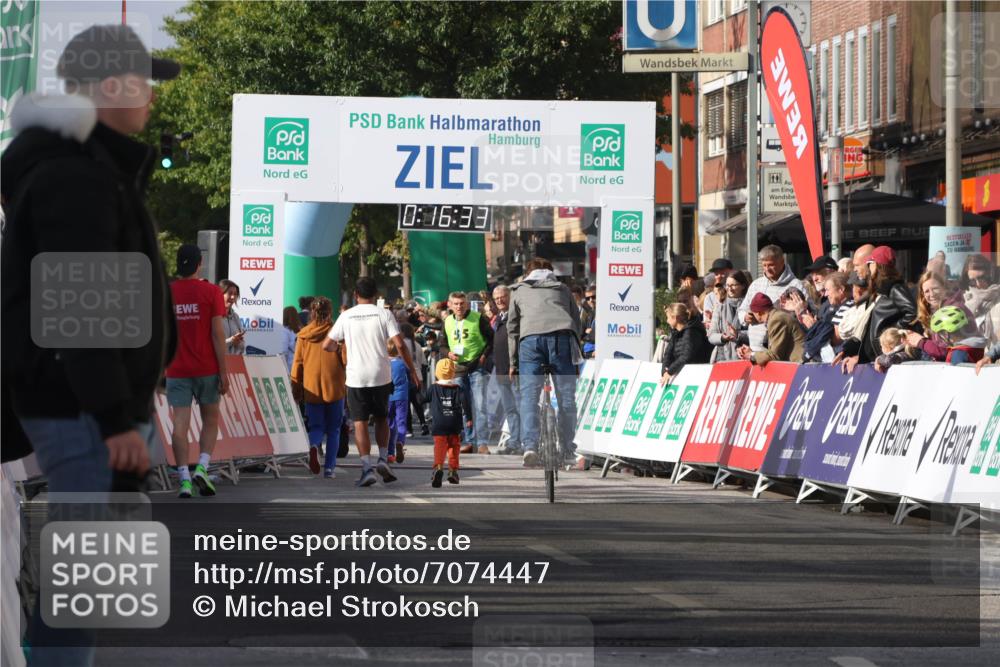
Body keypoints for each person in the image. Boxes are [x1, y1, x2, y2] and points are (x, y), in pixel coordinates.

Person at [0, 23, 180, 665]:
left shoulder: (80, 167)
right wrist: (113, 418)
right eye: (144, 83)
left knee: (90, 582)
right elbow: (79, 301)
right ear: (110, 86)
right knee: (88, 583)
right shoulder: (76, 176)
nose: (152, 97)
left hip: (77, 408)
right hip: (78, 412)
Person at [323, 277, 420, 487]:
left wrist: (341, 346)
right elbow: (400, 345)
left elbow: (326, 345)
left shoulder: (346, 316)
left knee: (360, 423)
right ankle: (383, 458)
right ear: (375, 295)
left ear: (356, 295)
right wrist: (412, 370)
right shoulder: (384, 314)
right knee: (382, 418)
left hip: (356, 376)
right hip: (381, 374)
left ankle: (366, 467)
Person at [165, 245, 228, 498]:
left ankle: (184, 479)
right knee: (210, 420)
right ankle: (202, 466)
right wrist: (224, 371)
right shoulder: (211, 292)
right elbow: (217, 334)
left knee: (180, 424)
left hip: (177, 369)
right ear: (199, 264)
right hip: (207, 368)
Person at [508, 257, 582, 468]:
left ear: (528, 272)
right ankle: (568, 448)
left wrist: (513, 363)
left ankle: (530, 446)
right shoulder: (563, 288)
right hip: (562, 339)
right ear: (550, 271)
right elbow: (575, 322)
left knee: (529, 396)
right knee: (566, 397)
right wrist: (575, 360)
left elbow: (512, 328)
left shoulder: (519, 290)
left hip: (530, 342)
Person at [836, 246, 917, 373]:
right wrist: (850, 350)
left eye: (870, 263)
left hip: (889, 355)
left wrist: (894, 330)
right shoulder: (879, 291)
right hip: (879, 355)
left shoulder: (894, 287)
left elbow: (913, 312)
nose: (868, 267)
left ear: (877, 265)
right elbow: (869, 329)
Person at [291, 297, 346, 478]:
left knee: (315, 427)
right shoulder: (336, 333)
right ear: (330, 313)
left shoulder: (304, 334)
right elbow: (345, 360)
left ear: (312, 312)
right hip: (335, 386)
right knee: (333, 429)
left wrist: (296, 389)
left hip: (311, 387)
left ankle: (314, 446)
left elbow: (297, 364)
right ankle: (329, 468)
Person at [443, 291, 494, 454]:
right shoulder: (447, 321)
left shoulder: (478, 318)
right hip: (458, 369)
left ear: (466, 304)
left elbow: (491, 339)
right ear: (450, 305)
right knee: (463, 407)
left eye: (462, 303)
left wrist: (484, 356)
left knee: (479, 405)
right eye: (456, 304)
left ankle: (483, 443)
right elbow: (442, 344)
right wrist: (448, 353)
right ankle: (470, 441)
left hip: (476, 367)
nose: (459, 307)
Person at [739, 245, 807, 352]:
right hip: (755, 348)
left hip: (782, 350)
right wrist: (745, 317)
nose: (767, 269)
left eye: (771, 265)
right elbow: (742, 309)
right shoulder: (756, 284)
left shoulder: (796, 285)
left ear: (782, 261)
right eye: (764, 265)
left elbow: (806, 315)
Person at [908, 271, 977, 362]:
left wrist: (921, 342)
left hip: (963, 364)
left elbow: (945, 351)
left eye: (935, 288)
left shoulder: (953, 310)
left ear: (944, 288)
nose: (931, 294)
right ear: (923, 295)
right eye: (927, 291)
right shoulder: (936, 311)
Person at [428, 359, 471, 487]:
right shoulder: (458, 389)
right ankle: (453, 470)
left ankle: (439, 467)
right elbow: (465, 403)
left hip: (439, 424)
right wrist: (469, 418)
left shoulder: (433, 388)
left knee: (440, 447)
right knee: (454, 446)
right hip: (454, 424)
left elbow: (423, 398)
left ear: (437, 372)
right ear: (453, 373)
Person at [491, 285, 522, 454]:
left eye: (502, 297)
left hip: (515, 370)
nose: (500, 301)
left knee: (520, 407)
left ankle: (524, 442)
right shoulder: (498, 318)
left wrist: (514, 365)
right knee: (510, 409)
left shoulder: (516, 316)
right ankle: (515, 442)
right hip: (501, 371)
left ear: (509, 297)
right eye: (496, 299)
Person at [738, 294, 805, 366]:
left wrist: (751, 355)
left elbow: (775, 356)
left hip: (800, 367)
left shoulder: (776, 320)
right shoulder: (776, 316)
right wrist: (752, 353)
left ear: (759, 313)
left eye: (753, 314)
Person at [659, 303, 712, 384]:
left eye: (668, 318)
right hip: (683, 374)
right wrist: (665, 372)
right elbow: (668, 354)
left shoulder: (692, 331)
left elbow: (686, 356)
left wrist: (670, 371)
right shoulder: (675, 332)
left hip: (697, 376)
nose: (667, 321)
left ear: (675, 318)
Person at [707, 270, 750, 362]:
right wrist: (722, 337)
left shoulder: (750, 306)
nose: (729, 288)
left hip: (744, 356)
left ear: (743, 286)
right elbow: (711, 335)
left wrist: (738, 335)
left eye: (733, 285)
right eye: (727, 285)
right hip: (722, 357)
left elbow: (756, 334)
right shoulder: (720, 306)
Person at [398, 322, 429, 436]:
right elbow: (423, 362)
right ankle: (423, 424)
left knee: (406, 403)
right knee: (417, 403)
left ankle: (409, 429)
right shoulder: (417, 345)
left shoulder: (400, 344)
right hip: (418, 376)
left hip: (405, 376)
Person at [386, 340, 409, 463]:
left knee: (389, 424)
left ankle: (390, 453)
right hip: (401, 397)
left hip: (388, 397)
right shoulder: (402, 363)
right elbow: (409, 375)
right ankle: (400, 441)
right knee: (401, 422)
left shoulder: (384, 363)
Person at [219, 279, 246, 354]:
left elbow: (241, 346)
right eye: (230, 293)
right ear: (220, 294)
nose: (233, 297)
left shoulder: (235, 316)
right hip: (218, 363)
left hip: (234, 363)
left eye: (235, 294)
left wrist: (239, 342)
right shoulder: (214, 317)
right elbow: (212, 345)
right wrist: (231, 341)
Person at [281, 305, 300, 372]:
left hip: (289, 367)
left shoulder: (284, 331)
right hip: (298, 365)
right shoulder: (300, 330)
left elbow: (283, 351)